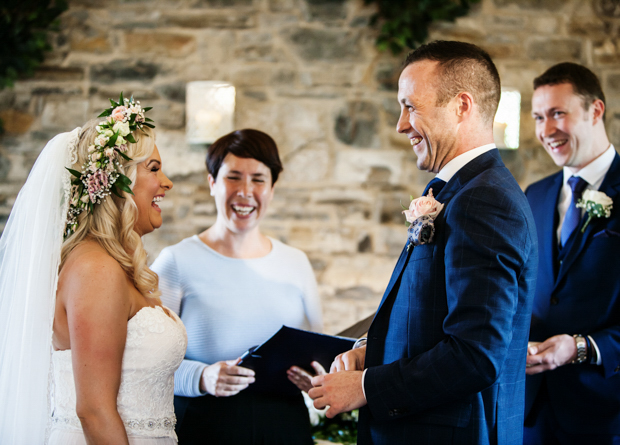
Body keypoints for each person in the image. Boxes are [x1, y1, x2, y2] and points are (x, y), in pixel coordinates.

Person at [309, 40, 538, 445]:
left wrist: (365, 387)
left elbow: (475, 355)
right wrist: (369, 350)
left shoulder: (484, 200)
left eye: (410, 106)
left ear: (461, 106)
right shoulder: (463, 192)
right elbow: (430, 318)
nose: (400, 124)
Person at [0, 95, 186, 445]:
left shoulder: (110, 264)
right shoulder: (95, 269)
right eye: (154, 168)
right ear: (119, 181)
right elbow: (94, 411)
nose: (167, 182)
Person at [151, 128, 323, 444]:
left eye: (258, 179)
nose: (245, 191)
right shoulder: (175, 262)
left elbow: (318, 353)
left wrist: (317, 378)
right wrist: (201, 377)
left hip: (285, 426)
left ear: (271, 189)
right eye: (233, 177)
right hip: (204, 425)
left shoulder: (296, 262)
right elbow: (144, 363)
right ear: (212, 183)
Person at [524, 62, 620, 444]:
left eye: (558, 113)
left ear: (595, 110)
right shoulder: (536, 194)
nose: (546, 131)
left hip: (606, 413)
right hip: (532, 409)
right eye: (538, 117)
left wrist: (582, 347)